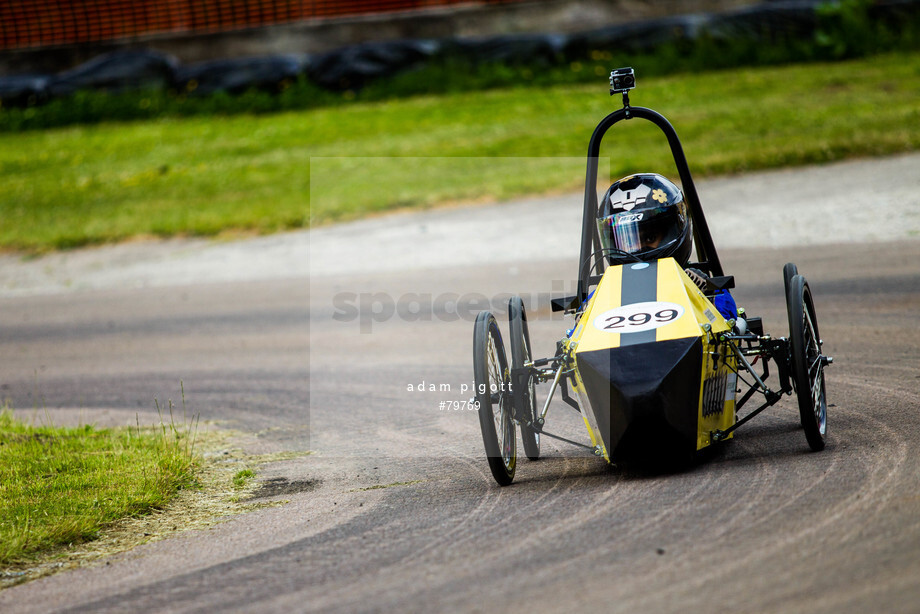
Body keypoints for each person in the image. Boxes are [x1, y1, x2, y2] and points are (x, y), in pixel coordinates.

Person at [596, 173, 739, 322]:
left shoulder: (698, 285)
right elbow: (577, 333)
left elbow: (726, 320)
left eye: (649, 238)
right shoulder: (604, 294)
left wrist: (704, 296)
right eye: (629, 242)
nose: (639, 250)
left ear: (674, 230)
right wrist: (585, 313)